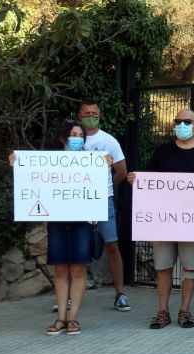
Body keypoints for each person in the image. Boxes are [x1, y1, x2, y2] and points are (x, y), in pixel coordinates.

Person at [128, 109, 194, 329]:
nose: (182, 124)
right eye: (178, 121)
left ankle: (185, 311)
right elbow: (148, 182)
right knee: (163, 267)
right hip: (163, 222)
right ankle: (162, 311)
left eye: (187, 121)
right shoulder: (162, 151)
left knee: (190, 268)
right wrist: (135, 179)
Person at [10, 121, 112, 335]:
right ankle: (60, 319)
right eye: (73, 134)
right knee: (59, 269)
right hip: (58, 221)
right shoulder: (49, 161)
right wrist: (17, 164)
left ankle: (73, 318)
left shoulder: (93, 162)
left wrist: (106, 167)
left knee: (78, 269)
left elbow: (101, 189)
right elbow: (30, 177)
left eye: (80, 135)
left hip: (83, 222)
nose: (77, 138)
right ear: (63, 138)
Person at [77, 100, 130, 311]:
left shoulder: (109, 141)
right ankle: (70, 298)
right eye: (87, 113)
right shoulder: (72, 139)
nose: (91, 116)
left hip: (102, 201)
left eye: (95, 113)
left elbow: (122, 171)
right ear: (79, 115)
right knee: (77, 247)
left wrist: (104, 187)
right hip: (76, 202)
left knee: (111, 245)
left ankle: (120, 294)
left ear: (100, 115)